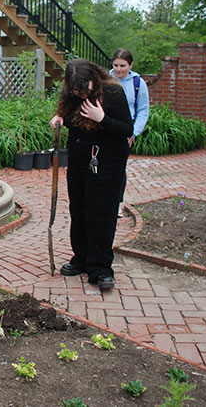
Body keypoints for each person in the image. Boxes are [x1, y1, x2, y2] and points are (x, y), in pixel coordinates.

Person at [50, 58, 132, 290]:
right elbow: (69, 115)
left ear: (94, 80)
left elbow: (127, 129)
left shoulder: (113, 93)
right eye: (75, 90)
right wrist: (60, 119)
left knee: (101, 216)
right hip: (79, 162)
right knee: (79, 211)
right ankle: (82, 259)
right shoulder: (73, 94)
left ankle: (101, 268)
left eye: (84, 89)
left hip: (107, 164)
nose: (80, 94)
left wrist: (102, 119)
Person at [110, 48, 149, 217]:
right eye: (116, 65)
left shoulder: (138, 84)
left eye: (123, 65)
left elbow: (143, 111)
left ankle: (117, 202)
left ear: (130, 65)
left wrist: (133, 133)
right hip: (106, 130)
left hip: (126, 133)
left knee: (119, 169)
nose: (119, 69)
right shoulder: (105, 80)